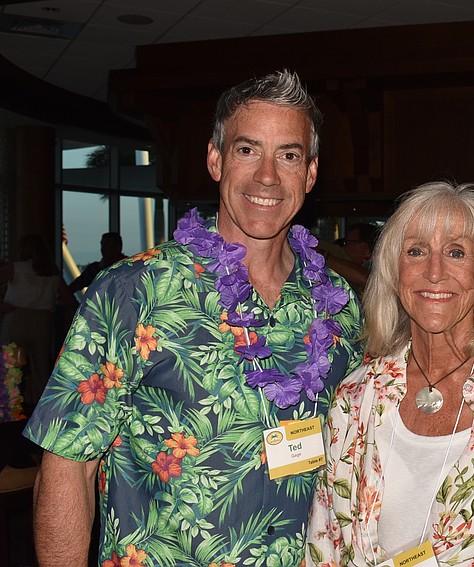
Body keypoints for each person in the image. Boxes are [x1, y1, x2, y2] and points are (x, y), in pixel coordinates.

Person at [24, 70, 364, 567]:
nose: (267, 176)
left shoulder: (338, 304)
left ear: (310, 174)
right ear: (215, 160)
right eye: (247, 150)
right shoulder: (136, 291)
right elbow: (67, 466)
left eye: (288, 155)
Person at [307, 182, 474, 566]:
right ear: (394, 274)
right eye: (416, 251)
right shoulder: (356, 396)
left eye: (456, 252)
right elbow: (324, 543)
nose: (434, 272)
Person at [0, 234, 77, 406]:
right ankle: (39, 406)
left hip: (16, 317)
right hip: (43, 320)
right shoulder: (52, 273)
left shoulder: (16, 268)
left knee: (10, 364)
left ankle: (10, 405)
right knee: (40, 367)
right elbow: (70, 300)